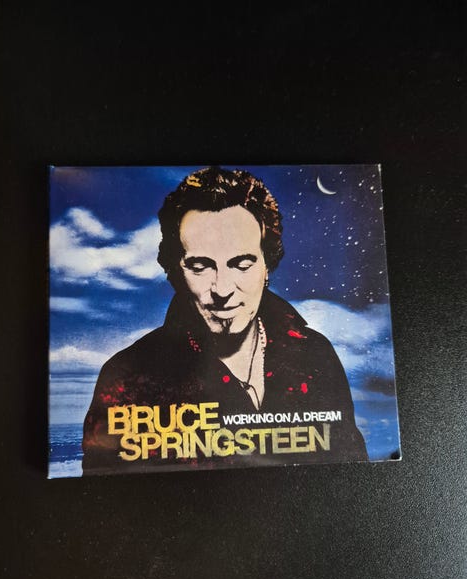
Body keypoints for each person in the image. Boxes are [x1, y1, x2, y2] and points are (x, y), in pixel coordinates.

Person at [82, 166, 368, 474]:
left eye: (242, 264)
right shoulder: (128, 377)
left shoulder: (315, 355)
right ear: (176, 270)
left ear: (267, 266)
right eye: (200, 266)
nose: (222, 289)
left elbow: (352, 473)